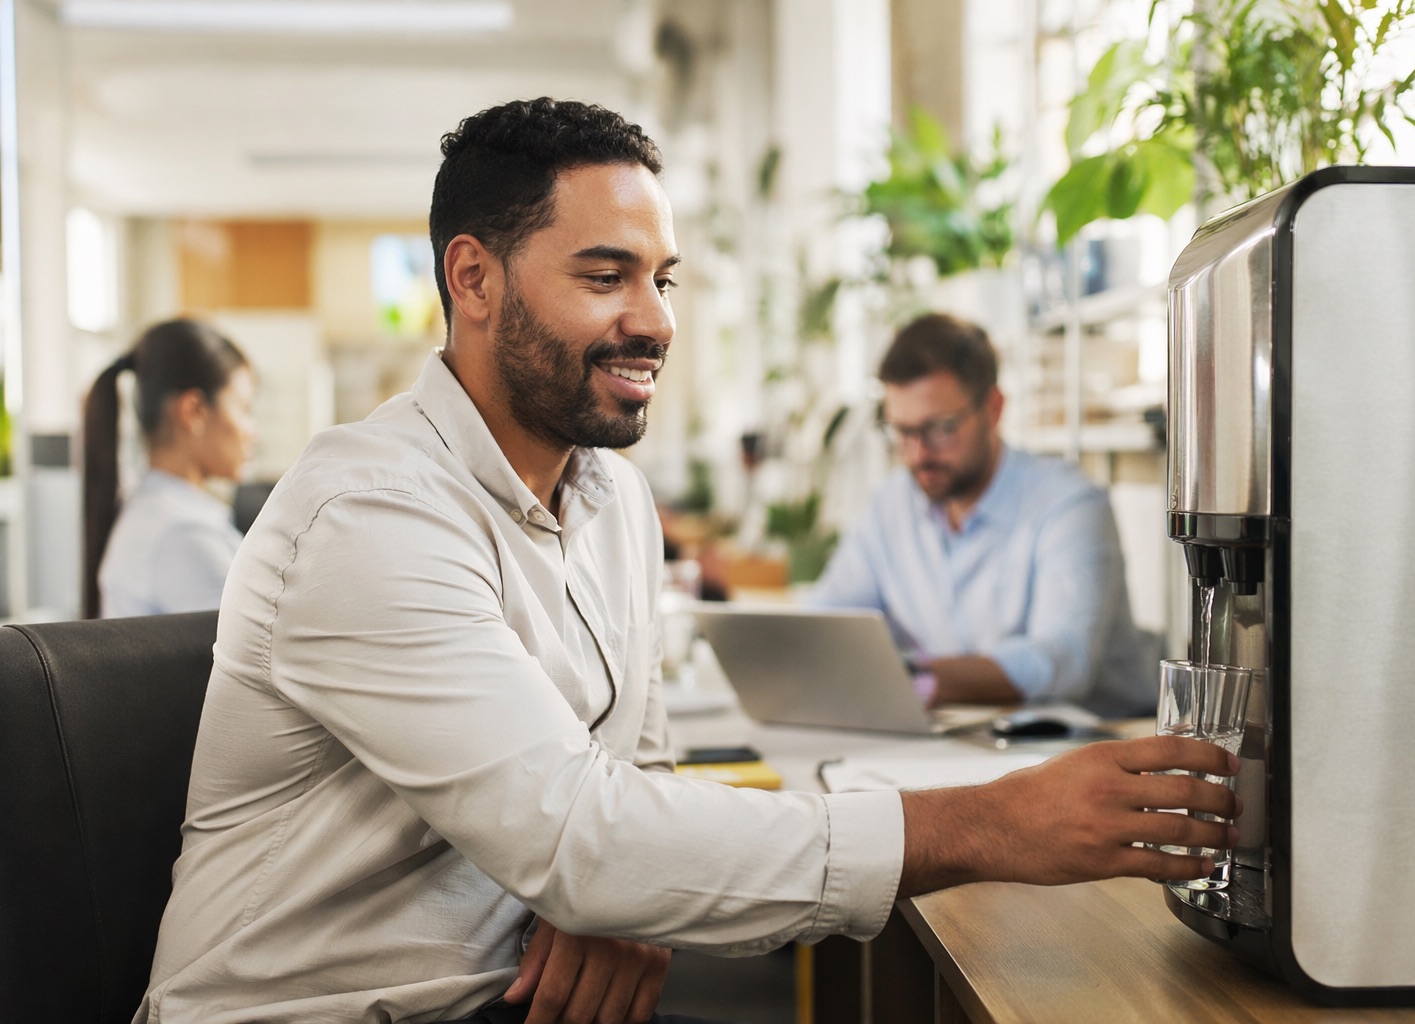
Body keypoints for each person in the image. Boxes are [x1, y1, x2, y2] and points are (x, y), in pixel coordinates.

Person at [134, 98, 1238, 1024]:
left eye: (665, 279)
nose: (654, 320)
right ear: (472, 278)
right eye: (606, 275)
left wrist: (623, 894)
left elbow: (629, 779)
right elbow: (579, 835)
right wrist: (992, 821)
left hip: (516, 993)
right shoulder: (370, 512)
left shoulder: (609, 496)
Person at [804, 313, 1156, 716]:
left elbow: (1064, 660)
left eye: (940, 428)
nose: (918, 453)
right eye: (902, 432)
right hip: (971, 740)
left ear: (993, 408)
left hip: (1096, 740)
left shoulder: (1068, 504)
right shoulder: (892, 506)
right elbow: (826, 619)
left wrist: (911, 673)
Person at [81, 318, 257, 619]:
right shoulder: (184, 535)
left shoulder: (152, 511)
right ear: (193, 411)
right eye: (244, 409)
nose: (252, 431)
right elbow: (259, 660)